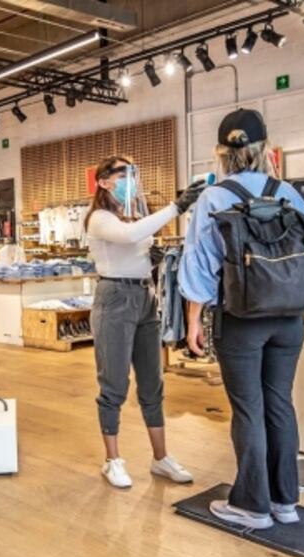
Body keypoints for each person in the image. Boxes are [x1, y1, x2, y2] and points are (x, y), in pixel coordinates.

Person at [179, 109, 304, 529]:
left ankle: (252, 505)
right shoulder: (290, 194)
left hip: (241, 318)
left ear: (222, 152)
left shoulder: (215, 197)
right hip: (290, 318)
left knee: (248, 408)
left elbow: (199, 268)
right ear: (265, 149)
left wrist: (193, 321)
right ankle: (285, 501)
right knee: (280, 403)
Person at [86, 155, 205, 488]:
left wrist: (148, 259)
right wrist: (175, 207)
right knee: (114, 384)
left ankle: (160, 458)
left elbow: (135, 239)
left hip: (144, 297)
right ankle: (112, 460)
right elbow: (127, 236)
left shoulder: (132, 214)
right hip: (115, 299)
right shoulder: (99, 218)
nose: (130, 178)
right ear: (104, 181)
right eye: (123, 173)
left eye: (133, 172)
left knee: (153, 382)